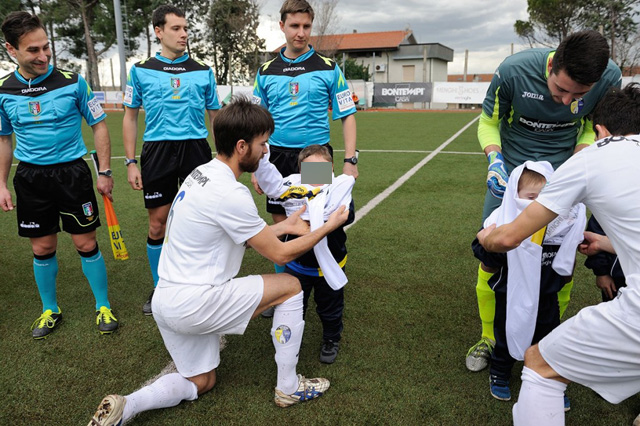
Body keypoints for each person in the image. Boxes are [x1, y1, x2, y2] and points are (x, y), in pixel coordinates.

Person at [88, 97, 350, 425]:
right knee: (292, 287)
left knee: (203, 381)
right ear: (242, 147)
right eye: (262, 143)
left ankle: (129, 405)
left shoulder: (201, 174)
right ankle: (288, 386)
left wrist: (286, 225)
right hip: (196, 303)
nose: (266, 150)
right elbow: (281, 253)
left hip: (165, 302)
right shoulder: (231, 194)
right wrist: (329, 225)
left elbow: (235, 233)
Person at [477, 83, 640, 426]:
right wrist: (608, 245)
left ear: (599, 131)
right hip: (328, 165)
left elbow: (507, 238)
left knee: (539, 364)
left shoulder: (593, 157)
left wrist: (487, 239)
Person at [466, 29, 622, 371]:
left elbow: (591, 125)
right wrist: (494, 160)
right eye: (560, 89)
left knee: (561, 261)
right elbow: (488, 123)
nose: (567, 101)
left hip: (566, 175)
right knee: (493, 256)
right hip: (511, 177)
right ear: (553, 64)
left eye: (578, 94)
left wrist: (580, 159)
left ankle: (546, 339)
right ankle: (489, 337)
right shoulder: (513, 71)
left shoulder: (610, 76)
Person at [0, 11, 118, 339]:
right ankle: (50, 309)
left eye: (46, 47)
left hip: (72, 174)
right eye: (33, 50)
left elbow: (99, 125)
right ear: (12, 50)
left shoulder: (73, 81)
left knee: (86, 242)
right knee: (42, 248)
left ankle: (103, 305)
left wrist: (105, 171)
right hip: (31, 178)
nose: (43, 55)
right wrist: (1, 183)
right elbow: (3, 139)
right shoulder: (3, 90)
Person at [252, 0, 358, 313]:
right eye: (294, 26)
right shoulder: (267, 71)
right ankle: (282, 290)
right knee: (282, 222)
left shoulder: (328, 67)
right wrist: (259, 168)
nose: (301, 33)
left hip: (315, 158)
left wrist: (350, 160)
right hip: (278, 158)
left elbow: (347, 115)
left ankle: (325, 283)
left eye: (306, 26)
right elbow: (259, 122)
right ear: (282, 26)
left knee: (317, 218)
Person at [122, 4, 221, 315]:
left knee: (203, 221)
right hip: (158, 151)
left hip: (196, 150)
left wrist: (224, 159)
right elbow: (129, 116)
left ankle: (204, 283)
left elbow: (215, 116)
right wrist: (130, 162)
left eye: (186, 28)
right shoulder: (139, 70)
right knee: (157, 224)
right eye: (176, 28)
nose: (184, 34)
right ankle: (161, 287)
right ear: (158, 32)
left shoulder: (203, 71)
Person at [472, 162, 585, 405]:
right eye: (530, 197)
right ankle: (500, 373)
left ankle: (550, 383)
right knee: (506, 334)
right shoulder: (502, 220)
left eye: (542, 199)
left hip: (547, 296)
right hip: (509, 296)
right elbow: (483, 254)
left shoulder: (562, 223)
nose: (535, 206)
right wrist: (496, 242)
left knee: (547, 340)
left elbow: (568, 256)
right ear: (515, 196)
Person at [254, 143, 355, 363]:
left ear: (331, 170)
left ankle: (331, 338)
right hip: (298, 264)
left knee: (330, 306)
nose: (317, 176)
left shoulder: (339, 190)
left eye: (323, 170)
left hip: (330, 264)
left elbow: (347, 215)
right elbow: (275, 190)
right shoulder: (293, 190)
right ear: (301, 171)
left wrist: (318, 216)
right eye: (311, 170)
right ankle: (292, 337)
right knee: (294, 304)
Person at [584, 216, 627, 301]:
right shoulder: (616, 204)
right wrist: (601, 273)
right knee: (616, 311)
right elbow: (597, 228)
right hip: (617, 278)